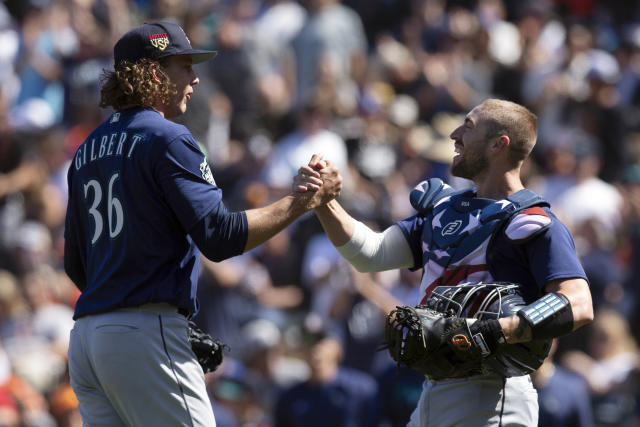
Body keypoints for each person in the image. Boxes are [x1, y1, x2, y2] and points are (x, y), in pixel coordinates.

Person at [63, 21, 341, 427]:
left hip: (88, 339)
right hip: (144, 332)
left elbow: (75, 264)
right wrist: (303, 202)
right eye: (184, 66)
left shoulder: (86, 150)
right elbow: (219, 235)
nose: (195, 78)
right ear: (155, 73)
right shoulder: (167, 138)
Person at [295, 98, 593, 426]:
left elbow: (578, 303)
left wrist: (493, 331)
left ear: (499, 144)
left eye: (468, 126)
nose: (454, 134)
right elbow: (371, 254)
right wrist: (325, 202)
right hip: (434, 391)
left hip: (494, 397)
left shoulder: (533, 220)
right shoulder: (444, 212)